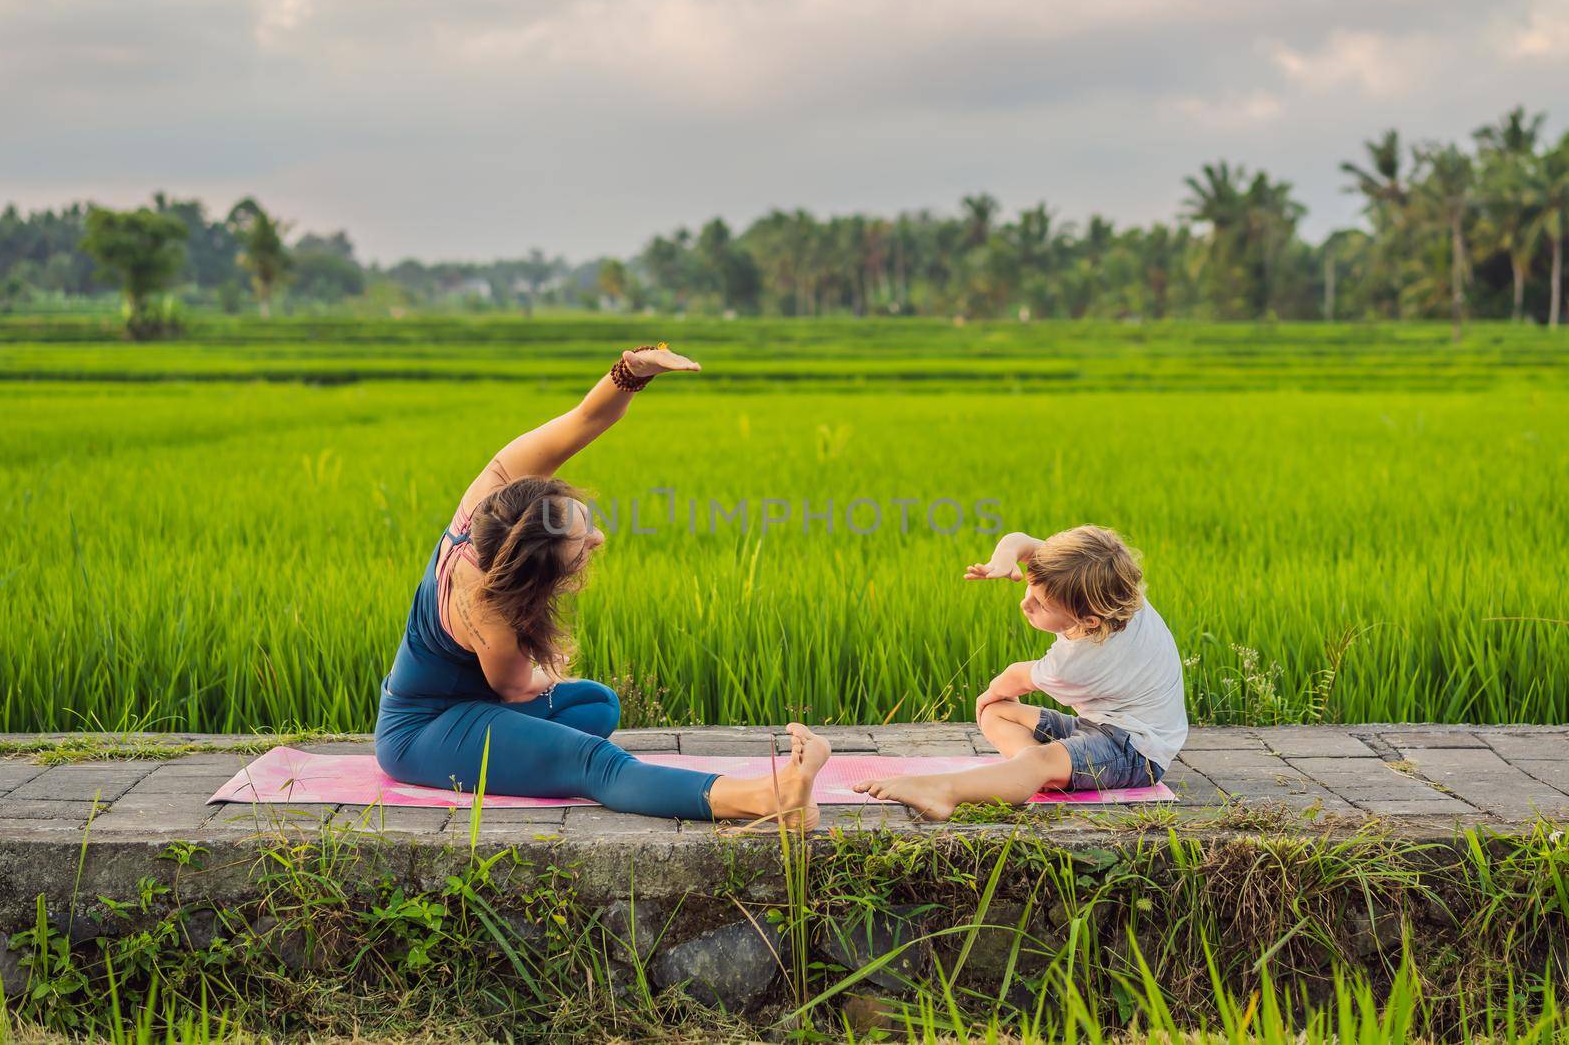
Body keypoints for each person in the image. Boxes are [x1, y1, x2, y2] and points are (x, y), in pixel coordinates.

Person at [374, 343, 829, 826]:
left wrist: (634, 369)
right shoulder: (488, 610)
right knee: (593, 761)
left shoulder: (494, 494)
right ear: (537, 575)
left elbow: (586, 418)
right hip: (425, 731)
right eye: (579, 547)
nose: (597, 538)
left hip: (479, 699)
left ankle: (532, 754)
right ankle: (773, 798)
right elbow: (514, 687)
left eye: (582, 522)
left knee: (596, 704)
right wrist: (554, 668)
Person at [854, 525, 1185, 820]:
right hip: (1098, 727)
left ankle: (949, 790)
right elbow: (1022, 542)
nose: (1026, 604)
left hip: (1135, 752)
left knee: (1000, 712)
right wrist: (1004, 558)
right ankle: (1032, 770)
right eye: (1030, 588)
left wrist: (995, 690)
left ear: (1088, 622)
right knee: (996, 713)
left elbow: (1016, 678)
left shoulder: (1077, 662)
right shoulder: (1111, 592)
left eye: (1042, 604)